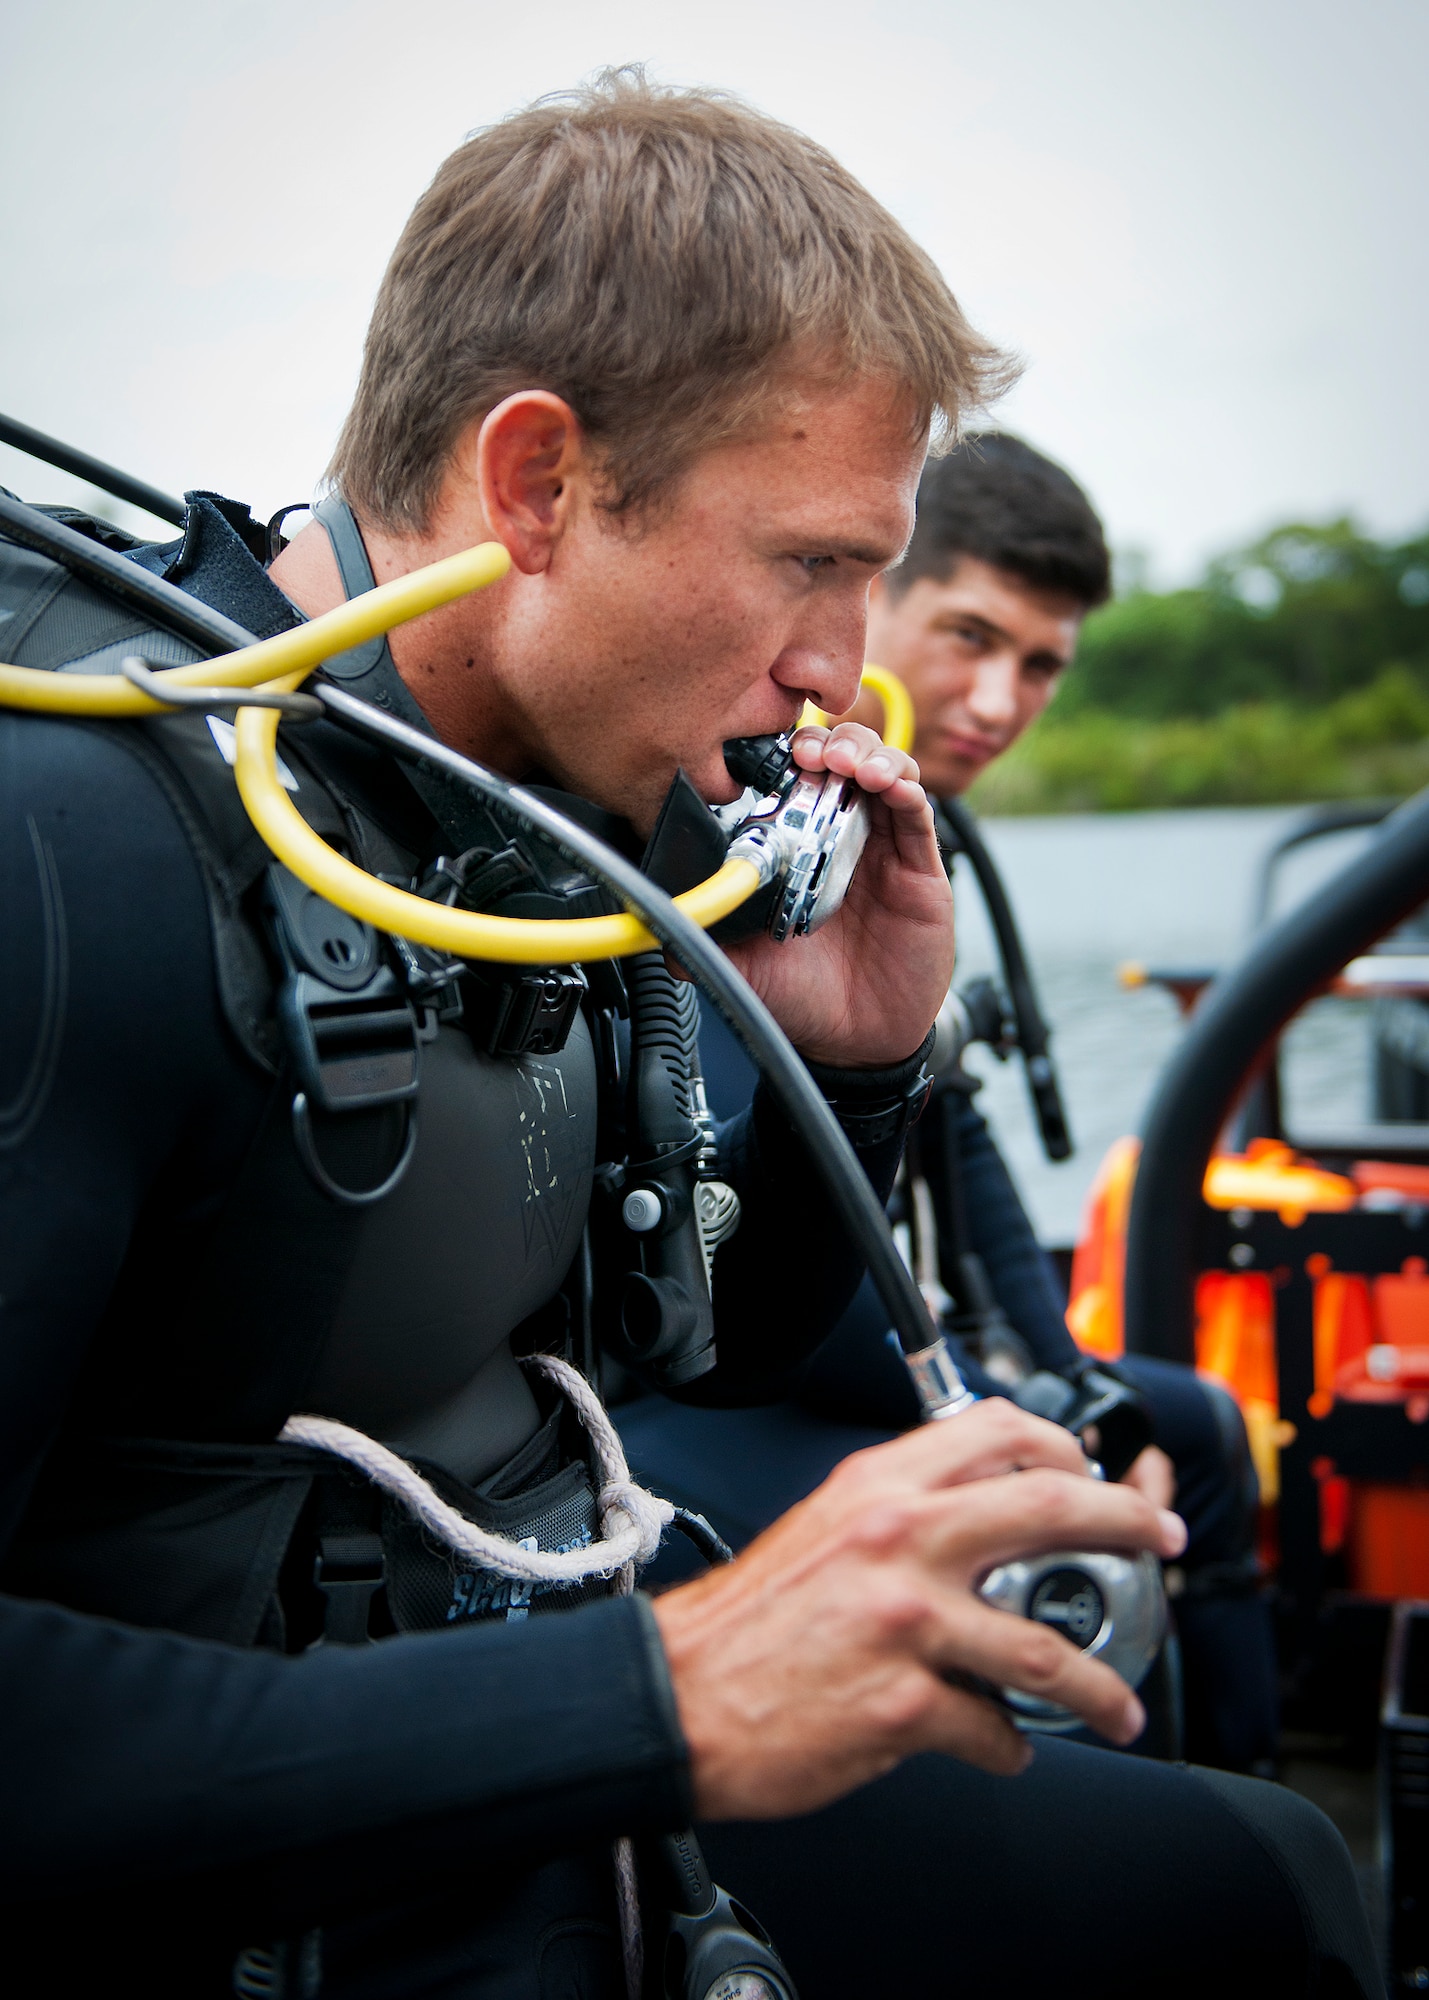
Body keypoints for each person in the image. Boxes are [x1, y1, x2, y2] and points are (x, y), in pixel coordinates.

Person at [0, 73, 1375, 2000]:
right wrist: (660, 1691)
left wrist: (855, 1065)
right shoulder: (78, 861)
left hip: (532, 1732)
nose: (846, 659)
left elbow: (708, 1342)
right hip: (298, 1863)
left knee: (1259, 1886)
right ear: (537, 483)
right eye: (813, 562)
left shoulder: (552, 815)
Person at [620, 434, 1279, 1774]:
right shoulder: (759, 816)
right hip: (698, 1382)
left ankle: (1228, 1786)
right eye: (968, 635)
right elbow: (792, 1259)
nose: (993, 699)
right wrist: (1022, 1433)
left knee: (1188, 1428)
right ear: (867, 598)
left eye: (1038, 666)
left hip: (814, 1338)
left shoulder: (882, 818)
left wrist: (1075, 1397)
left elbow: (943, 1115)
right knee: (1111, 1494)